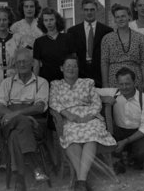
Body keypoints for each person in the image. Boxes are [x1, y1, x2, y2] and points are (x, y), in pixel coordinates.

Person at [49, 55, 116, 191]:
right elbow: (53, 103)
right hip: (69, 118)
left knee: (92, 134)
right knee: (71, 136)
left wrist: (88, 116)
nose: (71, 68)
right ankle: (82, 181)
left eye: (74, 66)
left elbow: (97, 102)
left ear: (79, 68)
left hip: (89, 118)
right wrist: (69, 115)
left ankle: (80, 180)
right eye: (68, 66)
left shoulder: (87, 82)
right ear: (62, 68)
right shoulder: (56, 85)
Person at [0, 48, 49, 191]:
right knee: (22, 122)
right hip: (10, 121)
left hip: (35, 124)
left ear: (32, 63)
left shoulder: (41, 82)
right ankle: (35, 166)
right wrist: (21, 116)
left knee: (15, 135)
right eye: (18, 62)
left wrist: (16, 114)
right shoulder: (7, 82)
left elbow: (39, 107)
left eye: (25, 61)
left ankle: (20, 178)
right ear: (15, 65)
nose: (22, 64)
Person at [112, 67, 144, 172]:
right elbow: (93, 91)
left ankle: (132, 157)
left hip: (138, 133)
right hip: (119, 132)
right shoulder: (113, 94)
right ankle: (124, 157)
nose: (124, 87)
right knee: (108, 147)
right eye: (121, 84)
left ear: (134, 82)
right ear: (117, 84)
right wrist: (104, 99)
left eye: (127, 83)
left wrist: (125, 142)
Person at [101, 4, 144, 92]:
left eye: (123, 16)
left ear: (129, 17)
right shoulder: (107, 39)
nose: (121, 19)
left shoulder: (139, 37)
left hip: (135, 80)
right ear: (115, 20)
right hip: (114, 81)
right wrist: (105, 83)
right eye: (117, 17)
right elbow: (104, 63)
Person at [67, 0, 113, 87]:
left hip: (100, 72)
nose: (89, 12)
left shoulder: (107, 31)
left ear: (97, 10)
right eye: (86, 10)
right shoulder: (72, 31)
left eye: (92, 9)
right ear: (82, 11)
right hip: (80, 72)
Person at [33, 7, 72, 83]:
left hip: (65, 80)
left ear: (57, 21)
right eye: (46, 20)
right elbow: (36, 65)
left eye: (51, 20)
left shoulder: (68, 38)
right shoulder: (39, 42)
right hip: (46, 81)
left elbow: (73, 60)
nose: (49, 23)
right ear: (42, 22)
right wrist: (35, 83)